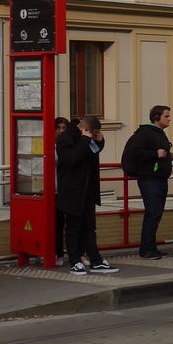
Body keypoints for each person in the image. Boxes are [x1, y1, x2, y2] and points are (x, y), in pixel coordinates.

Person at [56, 116, 118, 275]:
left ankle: (96, 260)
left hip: (88, 190)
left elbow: (93, 153)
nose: (93, 136)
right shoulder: (65, 138)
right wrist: (85, 139)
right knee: (73, 228)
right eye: (93, 133)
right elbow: (71, 159)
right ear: (86, 129)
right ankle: (75, 261)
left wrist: (100, 141)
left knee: (89, 227)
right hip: (72, 191)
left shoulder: (86, 138)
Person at [123, 105, 173, 260]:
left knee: (156, 214)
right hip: (149, 179)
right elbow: (136, 152)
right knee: (152, 213)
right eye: (166, 116)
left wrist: (167, 156)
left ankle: (152, 247)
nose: (169, 119)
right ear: (156, 118)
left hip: (159, 178)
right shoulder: (146, 133)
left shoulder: (159, 133)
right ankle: (146, 249)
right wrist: (155, 154)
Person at [53, 116, 71, 264]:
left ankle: (76, 253)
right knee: (57, 224)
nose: (61, 131)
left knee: (72, 223)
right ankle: (58, 253)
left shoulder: (69, 144)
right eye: (58, 128)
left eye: (64, 128)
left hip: (66, 188)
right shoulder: (48, 145)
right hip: (53, 189)